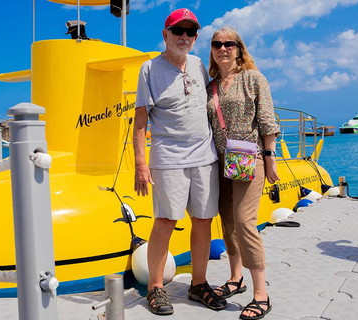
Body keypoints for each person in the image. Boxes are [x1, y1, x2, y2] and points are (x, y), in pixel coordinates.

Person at [133, 8, 227, 316]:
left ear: (196, 37)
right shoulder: (149, 69)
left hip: (205, 157)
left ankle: (198, 284)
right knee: (166, 221)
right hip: (168, 158)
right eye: (177, 31)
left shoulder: (199, 64)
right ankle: (156, 287)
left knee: (203, 220)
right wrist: (141, 164)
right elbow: (140, 122)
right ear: (165, 35)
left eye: (190, 33)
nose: (183, 37)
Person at [206, 26, 280, 320]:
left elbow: (266, 119)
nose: (223, 48)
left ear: (239, 48)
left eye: (229, 44)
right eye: (217, 44)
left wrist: (270, 158)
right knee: (227, 219)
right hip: (221, 160)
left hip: (250, 158)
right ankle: (235, 278)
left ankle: (261, 293)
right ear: (211, 49)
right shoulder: (211, 85)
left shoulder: (253, 78)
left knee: (244, 220)